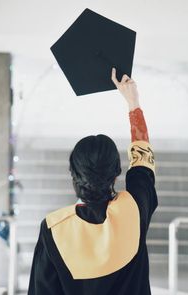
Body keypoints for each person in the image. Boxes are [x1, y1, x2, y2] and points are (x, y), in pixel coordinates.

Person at [28, 68, 158, 295]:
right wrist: (132, 102)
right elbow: (142, 159)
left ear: (73, 174)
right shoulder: (134, 208)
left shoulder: (54, 228)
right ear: (117, 172)